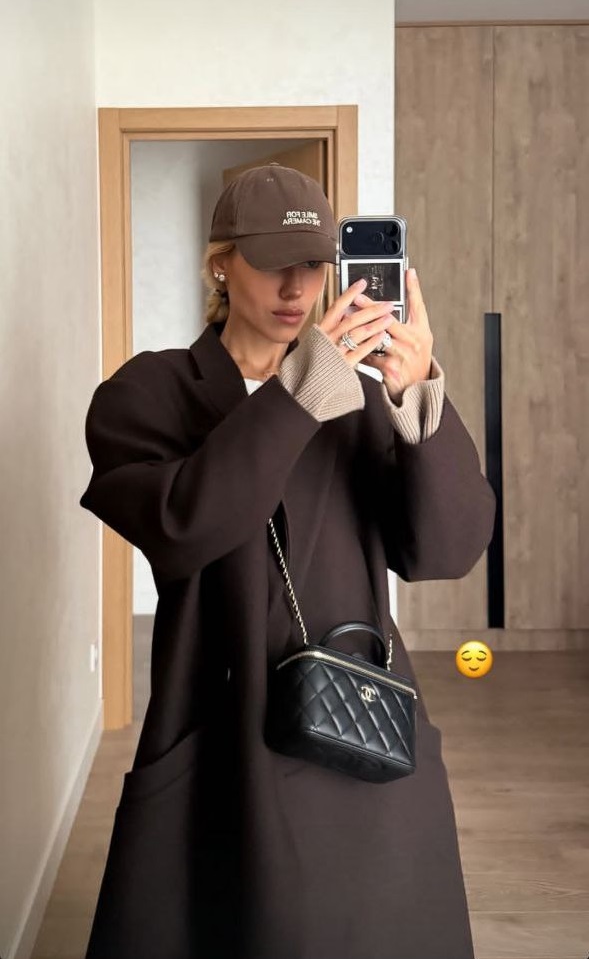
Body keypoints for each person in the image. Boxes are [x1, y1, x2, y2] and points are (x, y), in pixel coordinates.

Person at [80, 164, 495, 959]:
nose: (296, 286)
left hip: (358, 716)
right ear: (220, 265)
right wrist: (301, 389)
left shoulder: (362, 399)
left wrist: (417, 400)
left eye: (311, 263)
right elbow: (184, 524)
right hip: (220, 727)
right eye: (271, 261)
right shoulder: (150, 392)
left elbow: (444, 551)